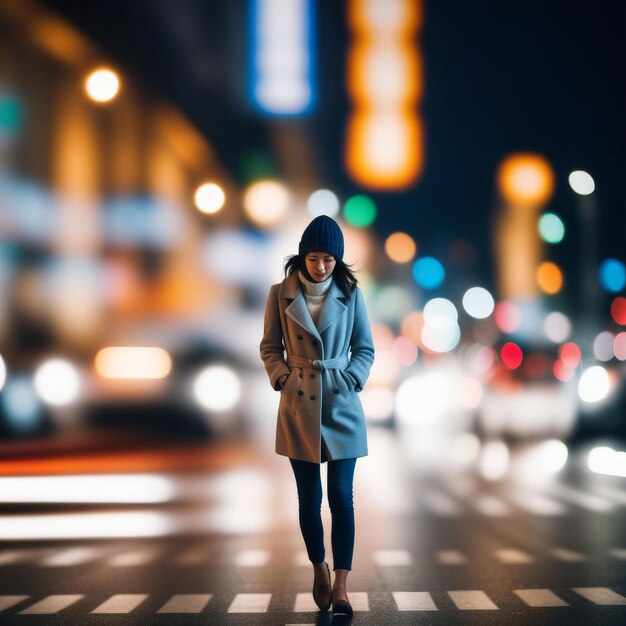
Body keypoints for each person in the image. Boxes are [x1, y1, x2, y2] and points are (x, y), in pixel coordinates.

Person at [259, 214, 375, 616]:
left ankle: (341, 586)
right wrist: (282, 378)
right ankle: (318, 566)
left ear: (337, 261)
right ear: (302, 257)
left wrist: (352, 378)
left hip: (341, 401)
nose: (321, 265)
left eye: (328, 258)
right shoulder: (279, 293)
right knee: (310, 500)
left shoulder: (352, 294)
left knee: (342, 498)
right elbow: (269, 347)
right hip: (299, 401)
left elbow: (365, 349)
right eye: (314, 257)